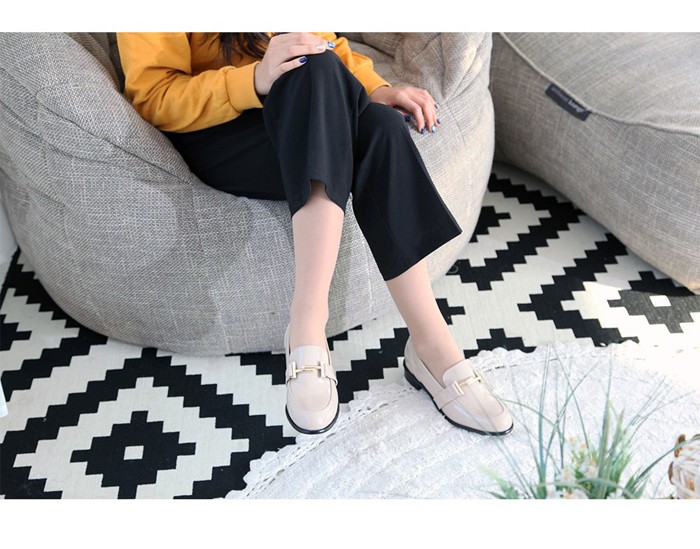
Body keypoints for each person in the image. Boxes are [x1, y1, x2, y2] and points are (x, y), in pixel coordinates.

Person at [116, 32, 513, 436]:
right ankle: (308, 325)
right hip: (217, 131)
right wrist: (254, 79)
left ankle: (431, 344)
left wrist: (375, 88)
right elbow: (154, 95)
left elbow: (321, 44)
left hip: (297, 108)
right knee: (314, 72)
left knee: (380, 123)